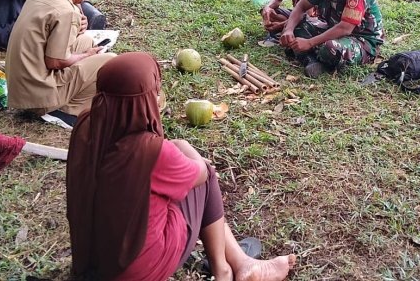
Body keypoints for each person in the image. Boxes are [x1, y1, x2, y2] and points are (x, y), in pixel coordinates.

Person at [67, 53, 296, 281]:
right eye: (155, 92)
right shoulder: (149, 150)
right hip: (136, 270)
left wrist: (178, 147)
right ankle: (224, 270)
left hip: (95, 260)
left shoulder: (86, 125)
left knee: (180, 159)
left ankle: (242, 261)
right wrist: (191, 153)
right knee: (206, 178)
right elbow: (201, 173)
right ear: (146, 99)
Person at [5, 0, 115, 124]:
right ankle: (64, 109)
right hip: (39, 97)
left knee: (85, 40)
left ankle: (64, 97)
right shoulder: (66, 11)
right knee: (110, 60)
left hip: (21, 88)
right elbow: (55, 62)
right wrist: (86, 56)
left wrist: (77, 26)